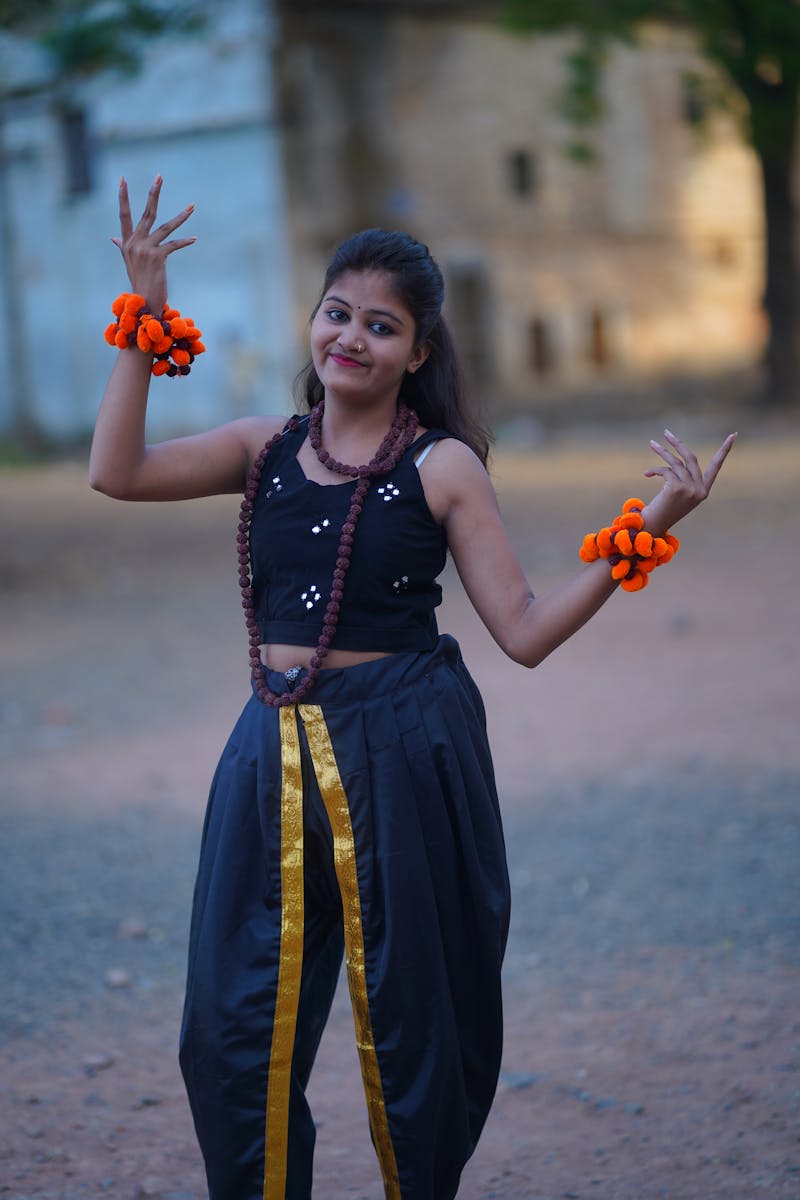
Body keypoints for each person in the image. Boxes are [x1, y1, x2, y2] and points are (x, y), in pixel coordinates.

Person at [89, 177, 736, 1200]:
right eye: (336, 313)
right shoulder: (262, 450)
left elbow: (520, 632)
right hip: (271, 754)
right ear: (314, 321)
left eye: (380, 327)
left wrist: (648, 525)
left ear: (418, 354)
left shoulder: (440, 470)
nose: (350, 338)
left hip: (403, 749)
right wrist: (144, 314)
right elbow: (115, 471)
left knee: (417, 1023)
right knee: (228, 1025)